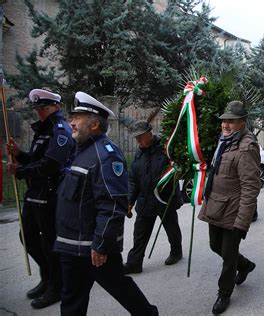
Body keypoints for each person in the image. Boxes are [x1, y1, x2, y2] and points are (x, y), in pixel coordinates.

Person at [55, 92, 158, 315]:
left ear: (93, 124)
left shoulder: (106, 155)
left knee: (119, 287)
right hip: (72, 244)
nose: (70, 122)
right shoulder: (79, 151)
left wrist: (101, 244)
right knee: (71, 299)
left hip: (93, 247)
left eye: (77, 117)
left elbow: (112, 204)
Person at [6, 89, 74, 309]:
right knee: (27, 236)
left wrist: (21, 171)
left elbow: (51, 165)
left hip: (51, 194)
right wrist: (19, 155)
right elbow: (35, 160)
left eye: (43, 108)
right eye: (38, 109)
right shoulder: (42, 130)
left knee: (49, 242)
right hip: (34, 194)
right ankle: (47, 277)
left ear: (54, 107)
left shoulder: (60, 130)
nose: (40, 112)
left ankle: (57, 285)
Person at [198, 101, 261, 315]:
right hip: (216, 205)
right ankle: (244, 265)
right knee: (215, 246)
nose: (225, 124)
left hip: (234, 210)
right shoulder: (224, 141)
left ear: (242, 123)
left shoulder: (246, 147)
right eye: (224, 120)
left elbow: (250, 187)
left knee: (227, 254)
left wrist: (242, 221)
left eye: (231, 121)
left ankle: (224, 293)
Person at [123, 120, 183, 274]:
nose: (138, 141)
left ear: (150, 133)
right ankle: (134, 263)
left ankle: (176, 252)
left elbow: (178, 168)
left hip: (164, 199)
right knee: (139, 233)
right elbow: (133, 180)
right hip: (145, 201)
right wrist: (130, 201)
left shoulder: (165, 148)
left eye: (141, 137)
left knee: (172, 228)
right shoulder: (138, 155)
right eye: (136, 138)